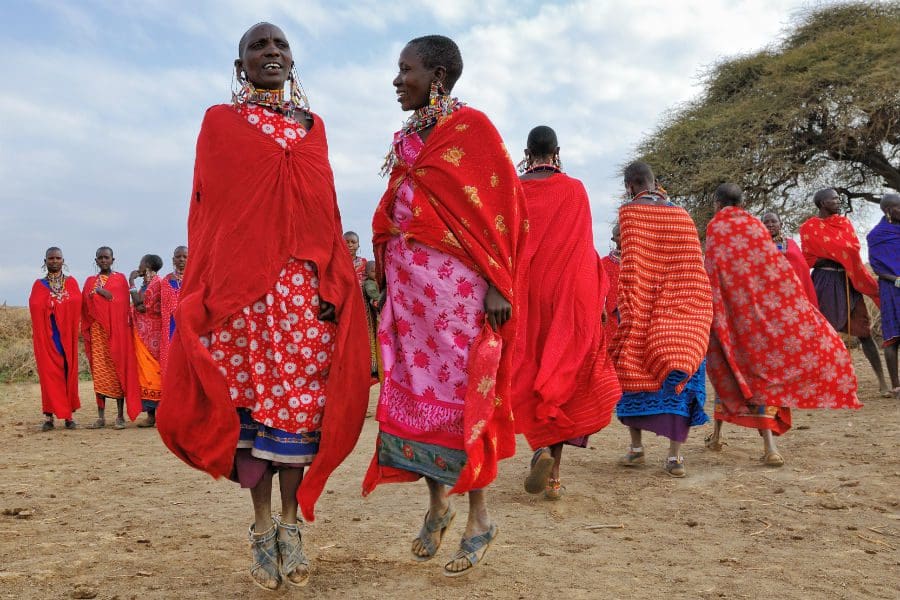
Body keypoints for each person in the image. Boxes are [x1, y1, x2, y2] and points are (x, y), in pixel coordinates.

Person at [156, 23, 369, 591]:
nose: (271, 52)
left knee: (297, 415)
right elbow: (210, 214)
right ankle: (260, 529)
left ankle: (293, 527)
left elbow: (326, 213)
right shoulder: (220, 123)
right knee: (251, 417)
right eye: (258, 46)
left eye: (280, 45)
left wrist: (335, 286)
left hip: (304, 298)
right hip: (242, 298)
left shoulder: (314, 127)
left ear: (292, 60)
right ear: (240, 63)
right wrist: (212, 285)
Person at [363, 35, 525, 576]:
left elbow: (504, 209)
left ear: (435, 75)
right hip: (410, 297)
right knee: (416, 393)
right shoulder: (408, 137)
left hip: (459, 294)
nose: (395, 80)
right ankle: (438, 504)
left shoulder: (471, 130)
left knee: (461, 397)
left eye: (404, 69)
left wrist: (499, 284)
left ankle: (479, 517)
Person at [704, 184, 861, 464]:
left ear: (717, 203)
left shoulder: (717, 227)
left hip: (732, 316)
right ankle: (768, 449)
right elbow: (777, 272)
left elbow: (713, 271)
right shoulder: (755, 226)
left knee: (730, 372)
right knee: (764, 375)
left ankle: (723, 438)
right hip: (763, 317)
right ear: (742, 202)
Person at [512, 125, 621, 500]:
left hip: (523, 292)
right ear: (557, 152)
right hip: (565, 295)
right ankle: (554, 474)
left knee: (524, 369)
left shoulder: (513, 188)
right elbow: (582, 251)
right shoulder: (575, 190)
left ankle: (538, 448)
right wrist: (598, 297)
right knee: (561, 373)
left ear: (527, 152)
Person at [611, 162, 712, 478]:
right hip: (686, 310)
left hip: (644, 310)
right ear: (656, 182)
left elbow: (632, 273)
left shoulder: (630, 215)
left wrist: (631, 313)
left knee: (632, 369)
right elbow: (695, 268)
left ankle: (636, 449)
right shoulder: (682, 215)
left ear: (630, 186)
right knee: (680, 376)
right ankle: (674, 457)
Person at [799, 188, 889, 395]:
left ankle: (882, 382)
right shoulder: (808, 227)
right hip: (825, 281)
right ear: (822, 203)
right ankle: (826, 383)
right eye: (833, 199)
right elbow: (810, 257)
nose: (838, 201)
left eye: (838, 198)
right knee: (826, 334)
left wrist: (837, 255)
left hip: (849, 280)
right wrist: (836, 255)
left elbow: (853, 249)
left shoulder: (844, 223)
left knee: (864, 331)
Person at [81, 246, 141, 429]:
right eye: (100, 258)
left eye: (107, 257)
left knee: (117, 372)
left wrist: (101, 295)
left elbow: (120, 303)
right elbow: (85, 307)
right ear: (96, 260)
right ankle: (101, 417)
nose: (103, 260)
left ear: (113, 259)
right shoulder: (90, 281)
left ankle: (120, 416)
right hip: (98, 335)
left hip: (117, 333)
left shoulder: (120, 279)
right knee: (99, 374)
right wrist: (99, 295)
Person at [29, 247, 82, 431]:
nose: (54, 261)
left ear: (63, 260)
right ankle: (49, 417)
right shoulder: (39, 285)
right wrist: (50, 303)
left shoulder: (72, 283)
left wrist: (58, 303)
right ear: (45, 261)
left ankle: (68, 416)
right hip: (48, 338)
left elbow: (76, 304)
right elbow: (35, 306)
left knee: (67, 372)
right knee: (49, 375)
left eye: (57, 258)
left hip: (66, 337)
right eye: (50, 258)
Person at [867, 193, 900, 397]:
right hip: (891, 288)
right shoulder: (877, 235)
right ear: (888, 211)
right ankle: (896, 385)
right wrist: (896, 279)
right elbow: (877, 266)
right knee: (893, 337)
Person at [129, 254, 164, 427]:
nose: (139, 266)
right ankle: (151, 415)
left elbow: (141, 306)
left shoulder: (156, 284)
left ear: (148, 265)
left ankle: (157, 415)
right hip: (143, 333)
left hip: (152, 335)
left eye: (141, 263)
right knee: (145, 374)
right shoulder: (148, 283)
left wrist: (131, 282)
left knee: (153, 372)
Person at [761, 212, 817, 305]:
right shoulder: (757, 246)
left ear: (780, 224)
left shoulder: (790, 243)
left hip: (794, 291)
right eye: (766, 222)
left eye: (774, 221)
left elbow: (802, 267)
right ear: (760, 225)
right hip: (770, 293)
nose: (770, 225)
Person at [152, 245, 187, 377]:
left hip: (190, 326)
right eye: (178, 257)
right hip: (171, 327)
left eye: (185, 257)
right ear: (173, 260)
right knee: (171, 365)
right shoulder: (166, 281)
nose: (181, 259)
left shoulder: (195, 278)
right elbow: (161, 306)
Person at [600, 224, 621, 347]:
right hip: (612, 313)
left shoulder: (640, 260)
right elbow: (599, 289)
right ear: (613, 239)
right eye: (619, 235)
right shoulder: (605, 263)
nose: (623, 237)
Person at [362, 261, 381, 378]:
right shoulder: (369, 283)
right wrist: (380, 299)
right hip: (369, 314)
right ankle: (373, 367)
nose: (375, 273)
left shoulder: (374, 281)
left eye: (376, 271)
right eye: (373, 271)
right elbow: (372, 294)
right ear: (367, 273)